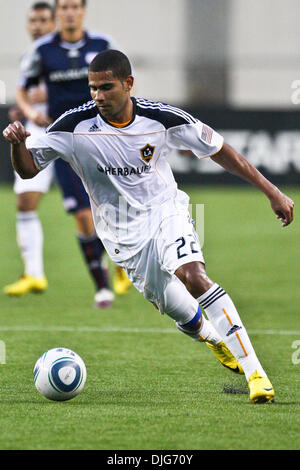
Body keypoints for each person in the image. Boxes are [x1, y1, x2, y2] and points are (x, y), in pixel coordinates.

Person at [3, 50, 294, 403]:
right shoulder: (73, 127)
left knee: (193, 275)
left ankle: (256, 374)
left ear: (128, 84)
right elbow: (28, 168)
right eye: (93, 88)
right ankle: (214, 337)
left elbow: (219, 149)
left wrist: (272, 191)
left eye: (106, 87)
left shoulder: (161, 118)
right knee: (175, 306)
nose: (97, 96)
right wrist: (18, 145)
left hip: (166, 212)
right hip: (121, 235)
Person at [15, 0, 131, 307]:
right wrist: (29, 112)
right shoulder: (42, 50)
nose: (69, 12)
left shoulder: (102, 44)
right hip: (65, 139)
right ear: (58, 14)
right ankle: (102, 286)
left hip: (101, 138)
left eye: (74, 7)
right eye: (64, 7)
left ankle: (123, 262)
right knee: (82, 214)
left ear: (83, 11)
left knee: (113, 207)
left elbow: (125, 82)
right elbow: (21, 88)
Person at [4, 2, 56, 297]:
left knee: (91, 210)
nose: (36, 25)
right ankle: (34, 274)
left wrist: (44, 94)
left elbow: (81, 88)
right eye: (32, 20)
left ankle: (119, 269)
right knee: (25, 202)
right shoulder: (29, 58)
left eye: (42, 20)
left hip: (70, 131)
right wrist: (21, 112)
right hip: (38, 132)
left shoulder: (64, 54)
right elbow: (27, 95)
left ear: (53, 23)